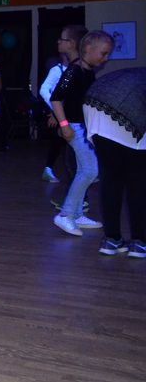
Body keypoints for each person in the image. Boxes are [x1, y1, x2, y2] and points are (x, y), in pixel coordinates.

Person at [50, 30, 114, 236]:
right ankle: (66, 214)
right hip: (74, 127)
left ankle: (76, 214)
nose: (106, 58)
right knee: (90, 171)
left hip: (84, 128)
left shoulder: (88, 72)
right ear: (88, 48)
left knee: (85, 170)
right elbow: (56, 98)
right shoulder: (73, 71)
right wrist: (64, 125)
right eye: (103, 53)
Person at [84, 68, 146, 257]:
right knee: (137, 184)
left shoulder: (136, 75)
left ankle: (111, 239)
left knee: (111, 180)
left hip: (94, 111)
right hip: (125, 115)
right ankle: (139, 242)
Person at [39, 25, 86, 183]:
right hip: (63, 116)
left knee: (75, 148)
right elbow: (45, 91)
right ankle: (49, 169)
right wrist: (55, 111)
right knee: (59, 143)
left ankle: (83, 175)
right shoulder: (58, 70)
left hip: (75, 117)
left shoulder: (80, 69)